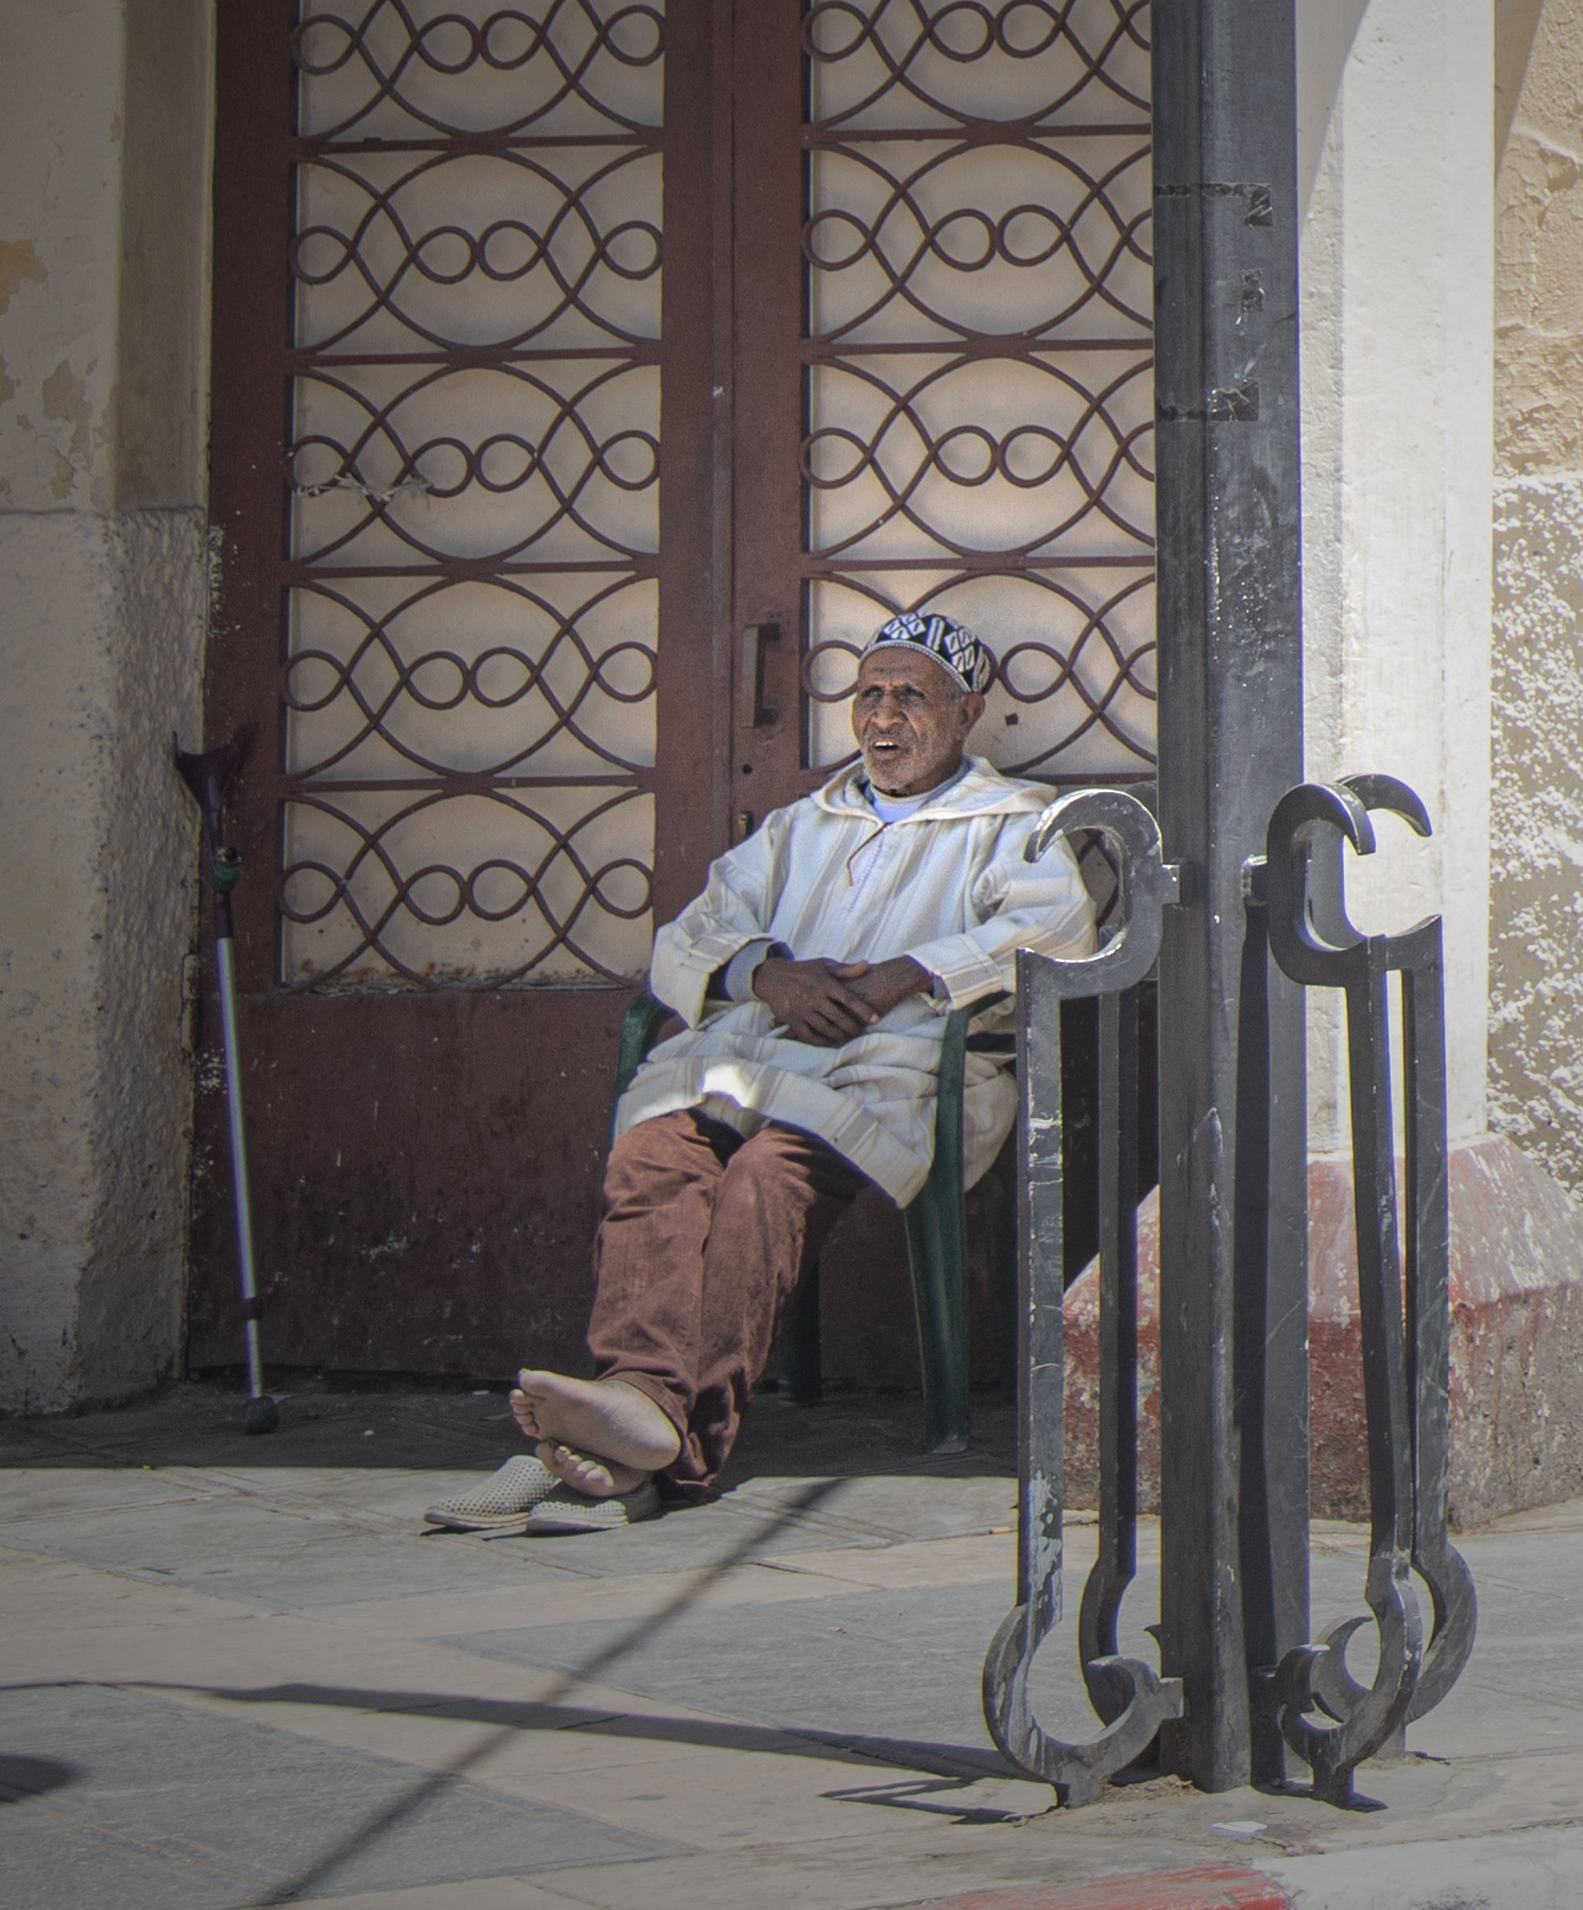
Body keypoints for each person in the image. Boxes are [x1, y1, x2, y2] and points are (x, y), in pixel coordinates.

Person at [428, 612, 1093, 1533]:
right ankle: (639, 1422)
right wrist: (765, 974)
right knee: (654, 1156)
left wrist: (913, 971)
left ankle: (652, 1445)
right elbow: (693, 933)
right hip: (753, 1051)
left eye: (911, 696)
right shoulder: (799, 825)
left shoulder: (1015, 822)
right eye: (868, 696)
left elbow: (1059, 932)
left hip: (898, 1067)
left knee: (763, 1182)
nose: (883, 718)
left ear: (967, 711)